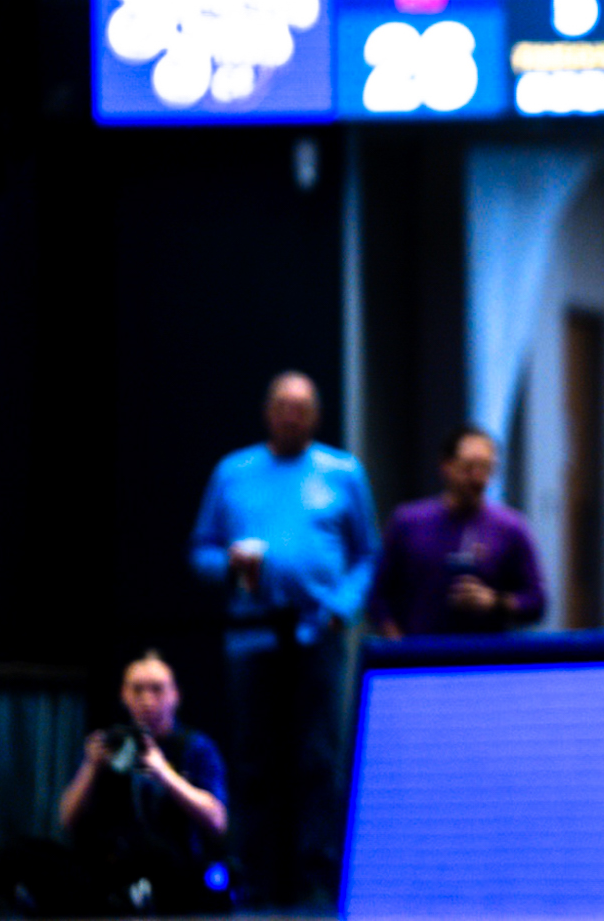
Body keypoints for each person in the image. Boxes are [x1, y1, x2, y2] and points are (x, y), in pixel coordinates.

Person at [188, 372, 376, 906]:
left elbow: (368, 556)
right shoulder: (234, 472)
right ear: (267, 412)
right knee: (255, 761)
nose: (291, 415)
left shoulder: (343, 473)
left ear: (315, 416)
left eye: (303, 407)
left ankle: (316, 880)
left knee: (318, 759)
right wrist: (228, 563)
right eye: (282, 406)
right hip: (252, 640)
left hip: (319, 636)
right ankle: (256, 877)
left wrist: (343, 608)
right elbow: (199, 553)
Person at [3, 653, 230, 916]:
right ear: (124, 694)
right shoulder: (111, 745)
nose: (147, 699)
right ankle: (107, 900)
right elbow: (67, 819)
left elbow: (217, 821)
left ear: (175, 695)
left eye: (157, 689)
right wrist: (91, 767)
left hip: (169, 863)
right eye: (137, 689)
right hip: (109, 863)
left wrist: (163, 773)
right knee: (17, 853)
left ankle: (105, 901)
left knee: (146, 848)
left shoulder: (195, 747)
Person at [367, 424, 546, 638]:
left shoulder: (510, 527)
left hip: (486, 662)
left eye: (486, 468)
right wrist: (399, 648)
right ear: (446, 466)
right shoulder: (408, 522)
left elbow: (536, 601)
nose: (478, 478)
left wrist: (495, 602)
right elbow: (378, 598)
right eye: (469, 467)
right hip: (419, 660)